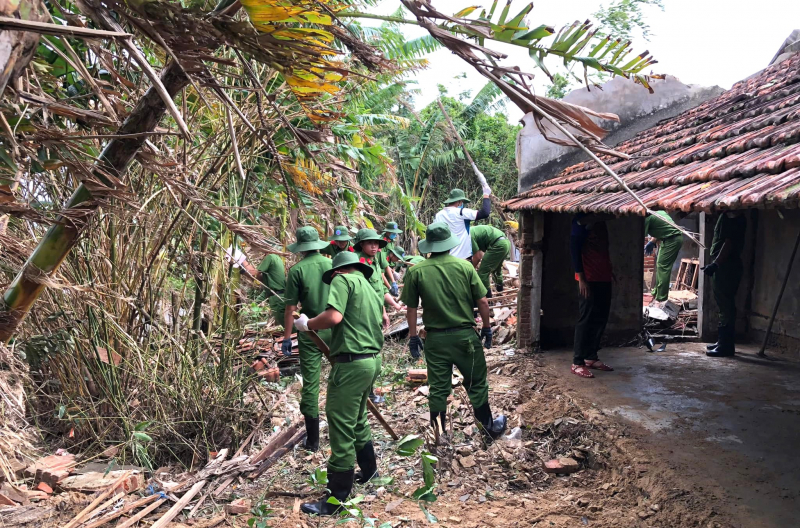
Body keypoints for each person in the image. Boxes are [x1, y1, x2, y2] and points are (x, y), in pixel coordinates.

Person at [295, 252, 384, 516]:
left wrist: (307, 323)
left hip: (352, 365)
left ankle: (336, 499)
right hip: (370, 360)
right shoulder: (366, 285)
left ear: (336, 271)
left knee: (340, 422)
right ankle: (369, 472)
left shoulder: (342, 280)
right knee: (357, 419)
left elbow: (334, 317)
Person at [400, 222, 507, 441]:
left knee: (438, 388)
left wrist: (413, 337)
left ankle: (438, 436)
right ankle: (487, 429)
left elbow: (411, 309)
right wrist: (486, 328)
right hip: (465, 337)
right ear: (449, 244)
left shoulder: (416, 272)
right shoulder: (465, 267)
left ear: (429, 246)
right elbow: (483, 301)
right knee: (476, 383)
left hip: (435, 340)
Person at [281, 227, 332, 451]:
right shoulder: (332, 265)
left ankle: (313, 441)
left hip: (309, 331)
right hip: (334, 327)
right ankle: (344, 427)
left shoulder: (297, 271)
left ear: (301, 248)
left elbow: (290, 307)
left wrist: (286, 336)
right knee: (341, 376)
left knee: (311, 385)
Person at [570, 213, 615, 379]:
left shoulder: (601, 219)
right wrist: (581, 278)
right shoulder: (581, 220)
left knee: (601, 317)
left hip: (604, 276)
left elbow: (603, 249)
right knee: (586, 318)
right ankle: (577, 362)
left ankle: (591, 357)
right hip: (588, 277)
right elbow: (574, 248)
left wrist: (610, 270)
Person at [702, 211, 747, 357]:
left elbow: (729, 243)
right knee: (722, 304)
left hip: (727, 266)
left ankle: (726, 346)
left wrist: (716, 264)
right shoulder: (726, 215)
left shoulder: (734, 217)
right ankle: (722, 341)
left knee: (726, 305)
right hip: (724, 265)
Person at [354, 228, 403, 315]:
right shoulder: (358, 264)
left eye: (376, 243)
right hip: (366, 311)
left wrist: (394, 305)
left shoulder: (375, 261)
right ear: (362, 244)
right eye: (369, 243)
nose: (373, 246)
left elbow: (380, 289)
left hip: (377, 310)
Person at [434, 188, 491, 259]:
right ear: (459, 202)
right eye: (462, 202)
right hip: (462, 257)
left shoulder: (439, 215)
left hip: (444, 257)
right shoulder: (461, 212)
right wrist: (486, 195)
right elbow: (485, 213)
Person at [644, 211, 682, 305]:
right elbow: (663, 228)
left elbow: (639, 235)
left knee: (663, 267)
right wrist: (652, 241)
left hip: (671, 240)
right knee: (660, 266)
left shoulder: (646, 219)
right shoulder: (659, 212)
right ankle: (656, 293)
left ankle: (661, 298)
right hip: (671, 239)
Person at [470, 224, 511, 298]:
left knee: (482, 273)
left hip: (498, 245)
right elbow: (481, 253)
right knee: (496, 269)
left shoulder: (468, 236)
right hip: (505, 243)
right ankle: (500, 291)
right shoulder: (473, 231)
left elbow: (478, 257)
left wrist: (470, 269)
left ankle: (488, 299)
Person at [256, 251, 287, 325]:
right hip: (281, 296)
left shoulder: (270, 257)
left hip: (276, 297)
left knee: (284, 323)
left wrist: (242, 265)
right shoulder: (278, 259)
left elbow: (256, 274)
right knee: (284, 322)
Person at [381, 222, 403, 296]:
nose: (395, 234)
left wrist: (392, 270)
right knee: (383, 287)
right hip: (382, 267)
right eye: (393, 232)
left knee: (389, 284)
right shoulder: (381, 242)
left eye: (395, 233)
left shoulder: (391, 241)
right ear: (387, 231)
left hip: (389, 267)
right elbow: (383, 260)